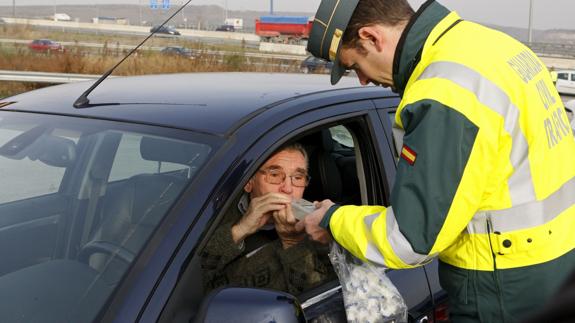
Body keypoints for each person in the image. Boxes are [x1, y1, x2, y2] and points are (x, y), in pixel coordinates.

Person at [298, 0, 575, 322]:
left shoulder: (445, 91)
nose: (361, 79)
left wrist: (334, 218)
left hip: (500, 283)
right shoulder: (493, 47)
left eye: (354, 65)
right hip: (557, 263)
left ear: (371, 37)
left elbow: (409, 240)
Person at [201, 143, 335, 296]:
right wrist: (240, 229)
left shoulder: (318, 230)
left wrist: (293, 244)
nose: (288, 189)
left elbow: (317, 301)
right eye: (275, 175)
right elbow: (188, 279)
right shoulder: (211, 215)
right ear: (249, 182)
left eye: (298, 178)